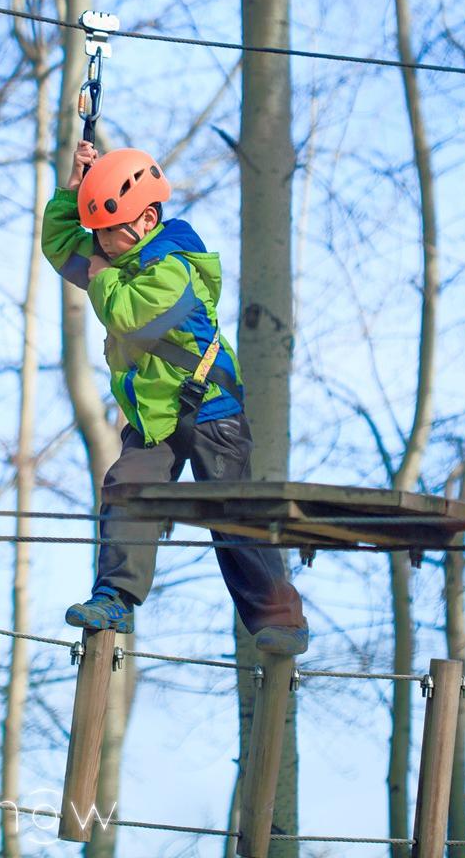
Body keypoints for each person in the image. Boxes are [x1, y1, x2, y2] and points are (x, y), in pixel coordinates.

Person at [42, 140, 310, 656]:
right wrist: (73, 190)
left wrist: (97, 272)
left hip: (211, 409)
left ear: (145, 219)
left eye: (107, 230)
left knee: (231, 514)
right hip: (153, 412)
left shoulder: (175, 267)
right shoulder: (115, 257)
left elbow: (125, 313)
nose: (98, 241)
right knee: (127, 491)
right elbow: (59, 246)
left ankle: (282, 619)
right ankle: (114, 599)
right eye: (95, 231)